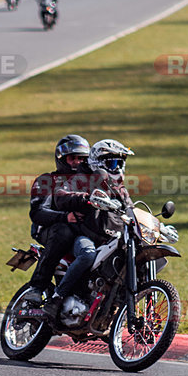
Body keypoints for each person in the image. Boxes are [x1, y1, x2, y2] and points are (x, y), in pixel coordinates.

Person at [42, 138, 135, 323]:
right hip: (83, 235)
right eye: (113, 163)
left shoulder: (120, 190)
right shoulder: (82, 179)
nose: (117, 168)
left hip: (109, 240)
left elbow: (131, 211)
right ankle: (56, 298)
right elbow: (61, 196)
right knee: (87, 254)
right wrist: (86, 197)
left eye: (120, 163)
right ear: (98, 163)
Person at [22, 135, 91, 304]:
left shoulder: (90, 182)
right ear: (61, 159)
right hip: (49, 230)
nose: (77, 162)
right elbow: (37, 212)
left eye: (81, 158)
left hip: (81, 232)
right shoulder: (47, 180)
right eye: (72, 158)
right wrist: (65, 217)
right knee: (63, 231)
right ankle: (36, 287)